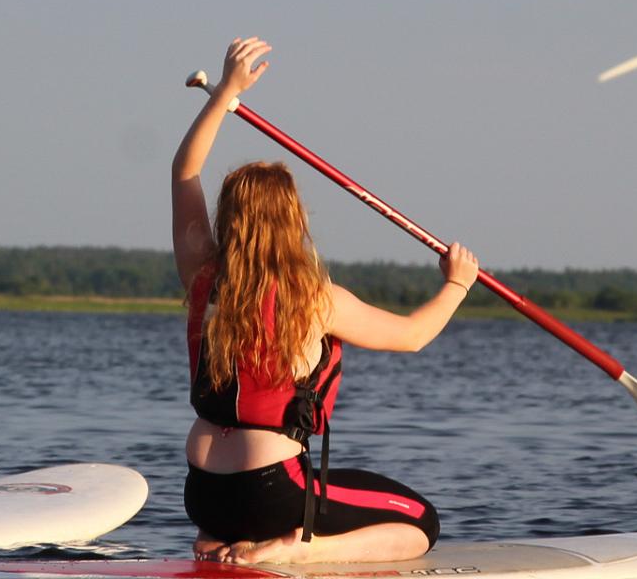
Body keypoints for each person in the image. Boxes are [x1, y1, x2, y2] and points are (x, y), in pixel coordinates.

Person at [172, 38, 481, 564]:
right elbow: (411, 336)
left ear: (230, 219)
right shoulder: (312, 298)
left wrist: (225, 93)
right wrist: (457, 284)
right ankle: (297, 551)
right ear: (294, 221)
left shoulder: (202, 275)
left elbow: (184, 172)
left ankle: (226, 539)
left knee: (306, 490)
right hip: (270, 491)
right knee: (420, 520)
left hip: (202, 497)